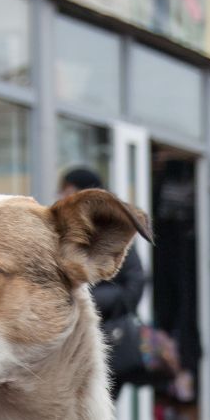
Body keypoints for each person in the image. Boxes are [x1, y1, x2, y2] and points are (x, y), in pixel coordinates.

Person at [59, 167, 146, 395]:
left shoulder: (107, 227)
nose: (63, 198)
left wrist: (90, 300)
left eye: (68, 191)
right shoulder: (69, 230)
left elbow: (135, 281)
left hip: (109, 337)